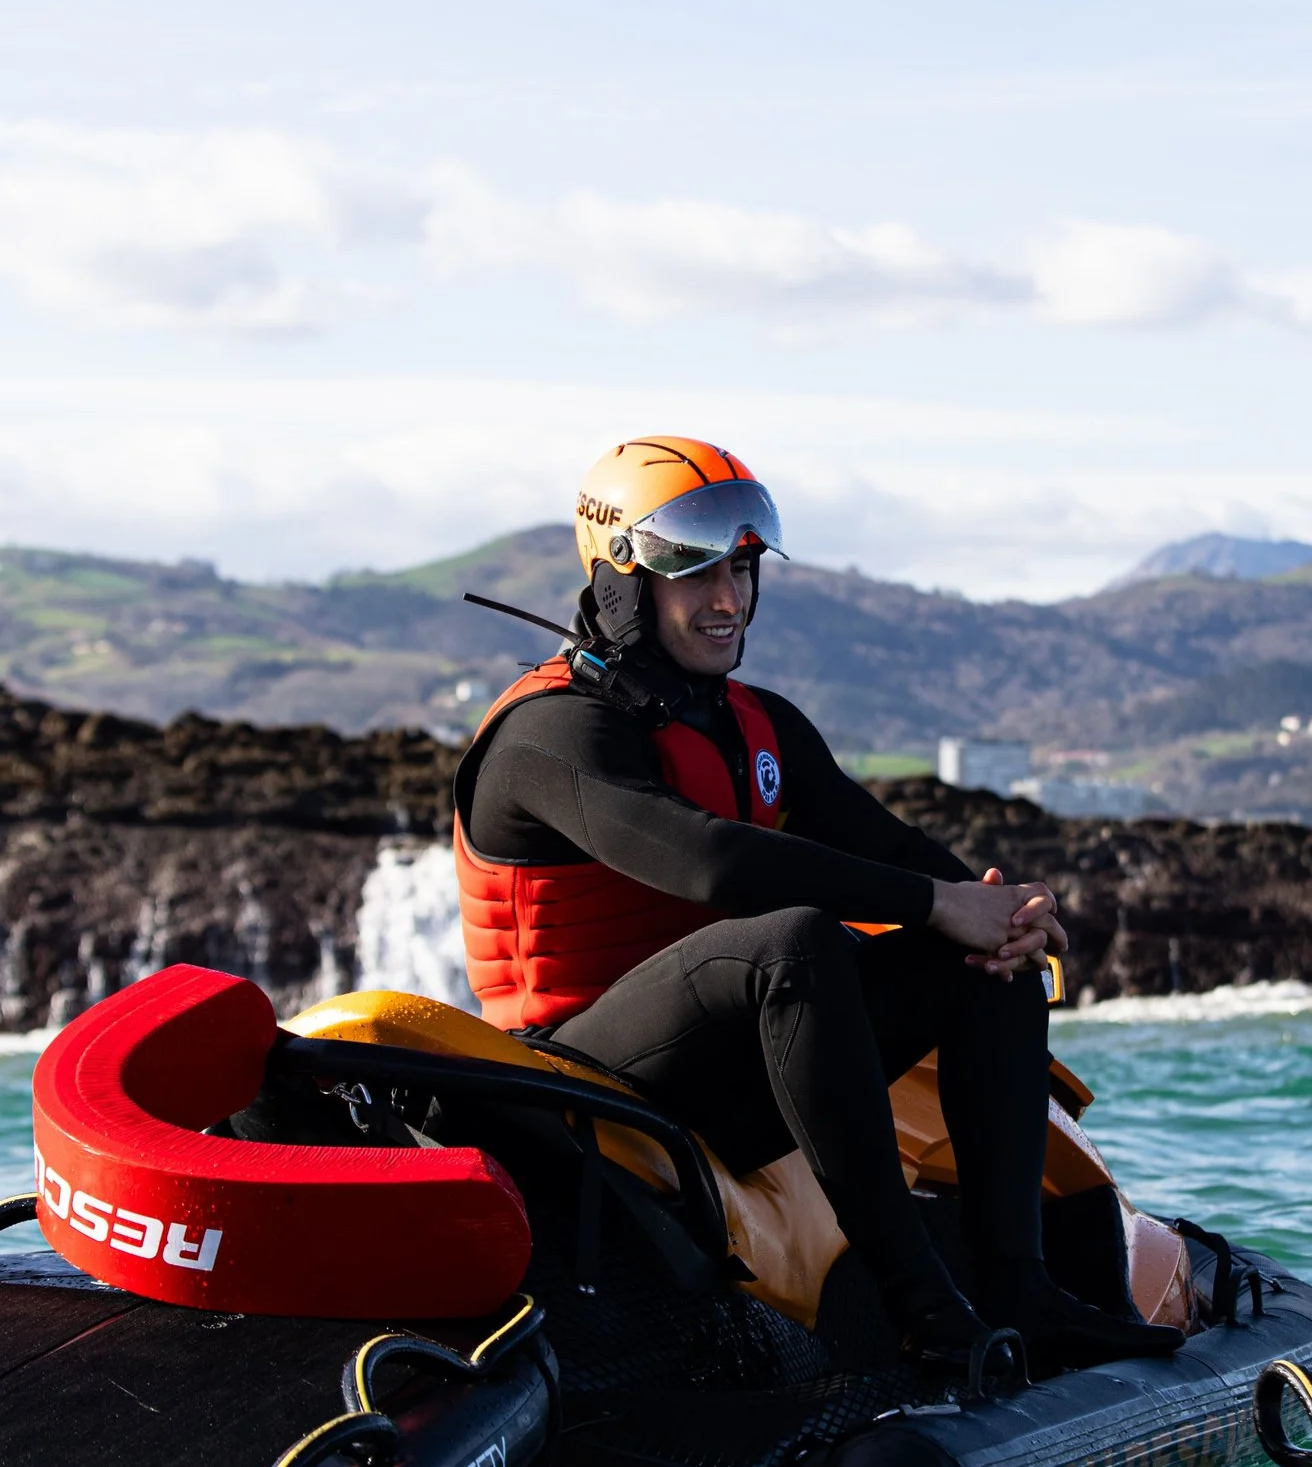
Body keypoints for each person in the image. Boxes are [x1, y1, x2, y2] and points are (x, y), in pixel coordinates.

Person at [451, 436, 1182, 1376]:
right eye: (698, 573)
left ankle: (1021, 1295)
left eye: (744, 570)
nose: (729, 599)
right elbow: (712, 863)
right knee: (795, 940)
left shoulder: (758, 724)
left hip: (736, 1073)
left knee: (978, 956)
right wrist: (932, 902)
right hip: (582, 1095)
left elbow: (893, 850)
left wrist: (998, 914)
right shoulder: (547, 734)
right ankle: (924, 1310)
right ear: (623, 578)